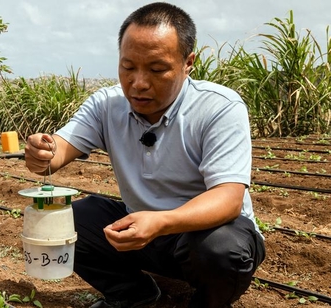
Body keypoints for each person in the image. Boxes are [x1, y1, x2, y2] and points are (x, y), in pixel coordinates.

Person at [24, 3, 265, 308]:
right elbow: (59, 150)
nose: (138, 83)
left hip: (202, 234)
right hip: (144, 230)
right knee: (68, 220)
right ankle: (133, 295)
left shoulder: (219, 107)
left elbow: (228, 199)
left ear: (188, 62)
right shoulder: (106, 104)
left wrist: (162, 221)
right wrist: (43, 151)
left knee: (221, 250)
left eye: (156, 69)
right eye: (128, 67)